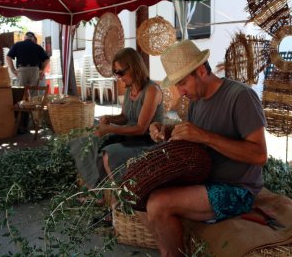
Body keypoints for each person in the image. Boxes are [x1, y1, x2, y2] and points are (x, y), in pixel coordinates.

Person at [143, 40, 267, 256]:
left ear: (201, 71)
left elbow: (259, 155)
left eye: (182, 83)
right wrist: (167, 130)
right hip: (204, 179)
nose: (180, 92)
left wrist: (206, 137)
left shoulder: (240, 97)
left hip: (237, 189)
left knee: (158, 204)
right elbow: (194, 134)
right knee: (147, 191)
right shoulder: (196, 100)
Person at [69, 47, 164, 189]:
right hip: (128, 137)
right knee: (82, 143)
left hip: (146, 141)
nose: (118, 76)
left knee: (109, 152)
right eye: (115, 73)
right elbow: (125, 117)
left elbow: (140, 128)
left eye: (120, 72)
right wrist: (110, 118)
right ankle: (97, 189)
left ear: (134, 67)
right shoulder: (130, 88)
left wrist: (109, 129)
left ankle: (121, 196)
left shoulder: (152, 90)